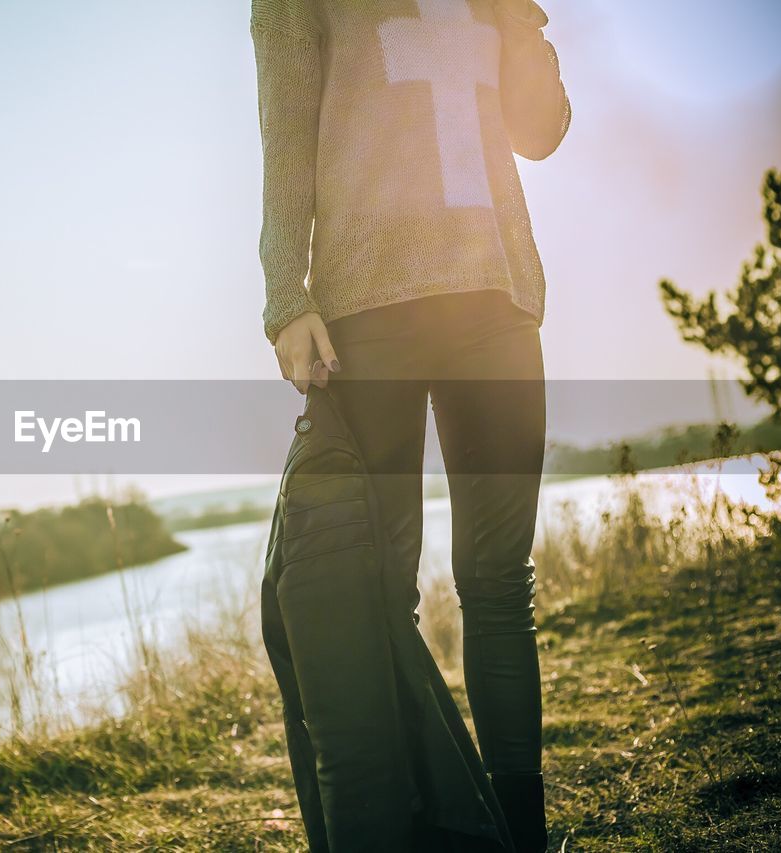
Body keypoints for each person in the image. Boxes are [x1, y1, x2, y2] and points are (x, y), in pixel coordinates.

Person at [251, 0, 570, 850]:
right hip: (368, 308)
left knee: (499, 583)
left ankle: (519, 835)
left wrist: (521, 24)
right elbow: (285, 132)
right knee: (377, 590)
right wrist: (287, 297)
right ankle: (414, 827)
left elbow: (539, 132)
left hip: (495, 301)